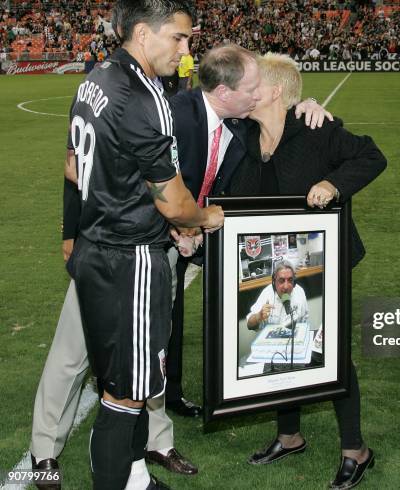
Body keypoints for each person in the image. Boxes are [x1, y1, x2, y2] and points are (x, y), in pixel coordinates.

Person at [64, 1, 224, 488]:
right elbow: (175, 203)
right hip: (128, 259)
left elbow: (74, 166)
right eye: (178, 38)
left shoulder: (96, 78)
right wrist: (205, 216)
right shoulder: (142, 94)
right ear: (141, 33)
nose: (186, 49)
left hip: (97, 245)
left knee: (122, 380)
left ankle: (136, 478)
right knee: (126, 395)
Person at [229, 52, 386, 489]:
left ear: (275, 91)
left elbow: (372, 157)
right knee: (281, 342)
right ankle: (289, 434)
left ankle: (356, 449)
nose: (245, 89)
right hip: (275, 264)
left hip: (325, 263)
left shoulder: (317, 129)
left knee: (331, 352)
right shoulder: (244, 134)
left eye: (253, 83)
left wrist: (333, 185)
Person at [164, 43, 332, 420]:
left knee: (173, 315)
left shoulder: (241, 122)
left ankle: (170, 392)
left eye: (259, 88)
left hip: (199, 231)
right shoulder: (179, 113)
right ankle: (143, 397)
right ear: (227, 92)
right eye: (250, 88)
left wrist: (310, 106)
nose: (254, 95)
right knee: (158, 318)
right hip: (162, 227)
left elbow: (281, 118)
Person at [246, 260, 308, 330]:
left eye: (290, 280)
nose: (286, 287)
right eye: (281, 281)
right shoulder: (267, 293)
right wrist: (258, 316)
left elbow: (305, 322)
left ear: (294, 282)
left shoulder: (299, 292)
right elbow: (249, 325)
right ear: (274, 282)